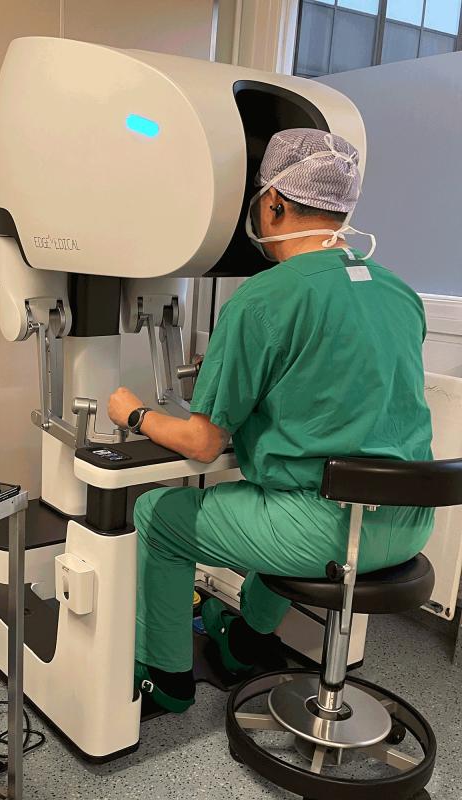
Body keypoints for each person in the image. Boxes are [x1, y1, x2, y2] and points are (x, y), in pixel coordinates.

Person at [108, 128, 434, 714]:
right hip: (409, 524)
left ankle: (167, 677)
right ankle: (245, 642)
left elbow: (203, 444)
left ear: (275, 202)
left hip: (327, 534)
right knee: (277, 489)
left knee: (159, 515)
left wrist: (131, 410)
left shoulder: (262, 300)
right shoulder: (397, 291)